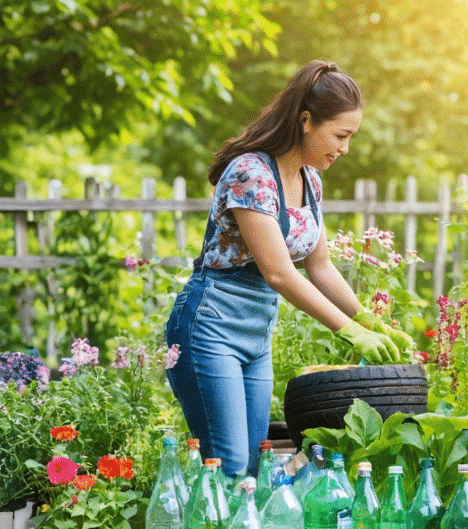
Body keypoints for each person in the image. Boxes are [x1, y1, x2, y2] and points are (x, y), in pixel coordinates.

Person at [166, 61, 409, 477]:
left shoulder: (309, 180)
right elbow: (279, 273)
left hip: (256, 337)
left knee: (254, 469)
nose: (345, 148)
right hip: (210, 327)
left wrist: (368, 320)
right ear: (306, 121)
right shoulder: (251, 173)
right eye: (341, 135)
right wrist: (348, 331)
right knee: (229, 466)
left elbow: (320, 265)